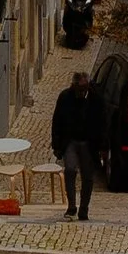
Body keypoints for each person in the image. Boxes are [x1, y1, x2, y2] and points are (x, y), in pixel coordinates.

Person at [49, 73, 97, 221]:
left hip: (89, 142)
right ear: (73, 86)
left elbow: (102, 122)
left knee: (88, 177)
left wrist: (102, 145)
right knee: (70, 170)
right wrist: (57, 145)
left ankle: (84, 209)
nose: (82, 93)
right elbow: (56, 121)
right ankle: (71, 206)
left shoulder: (95, 98)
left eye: (84, 89)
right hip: (70, 141)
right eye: (79, 89)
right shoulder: (65, 97)